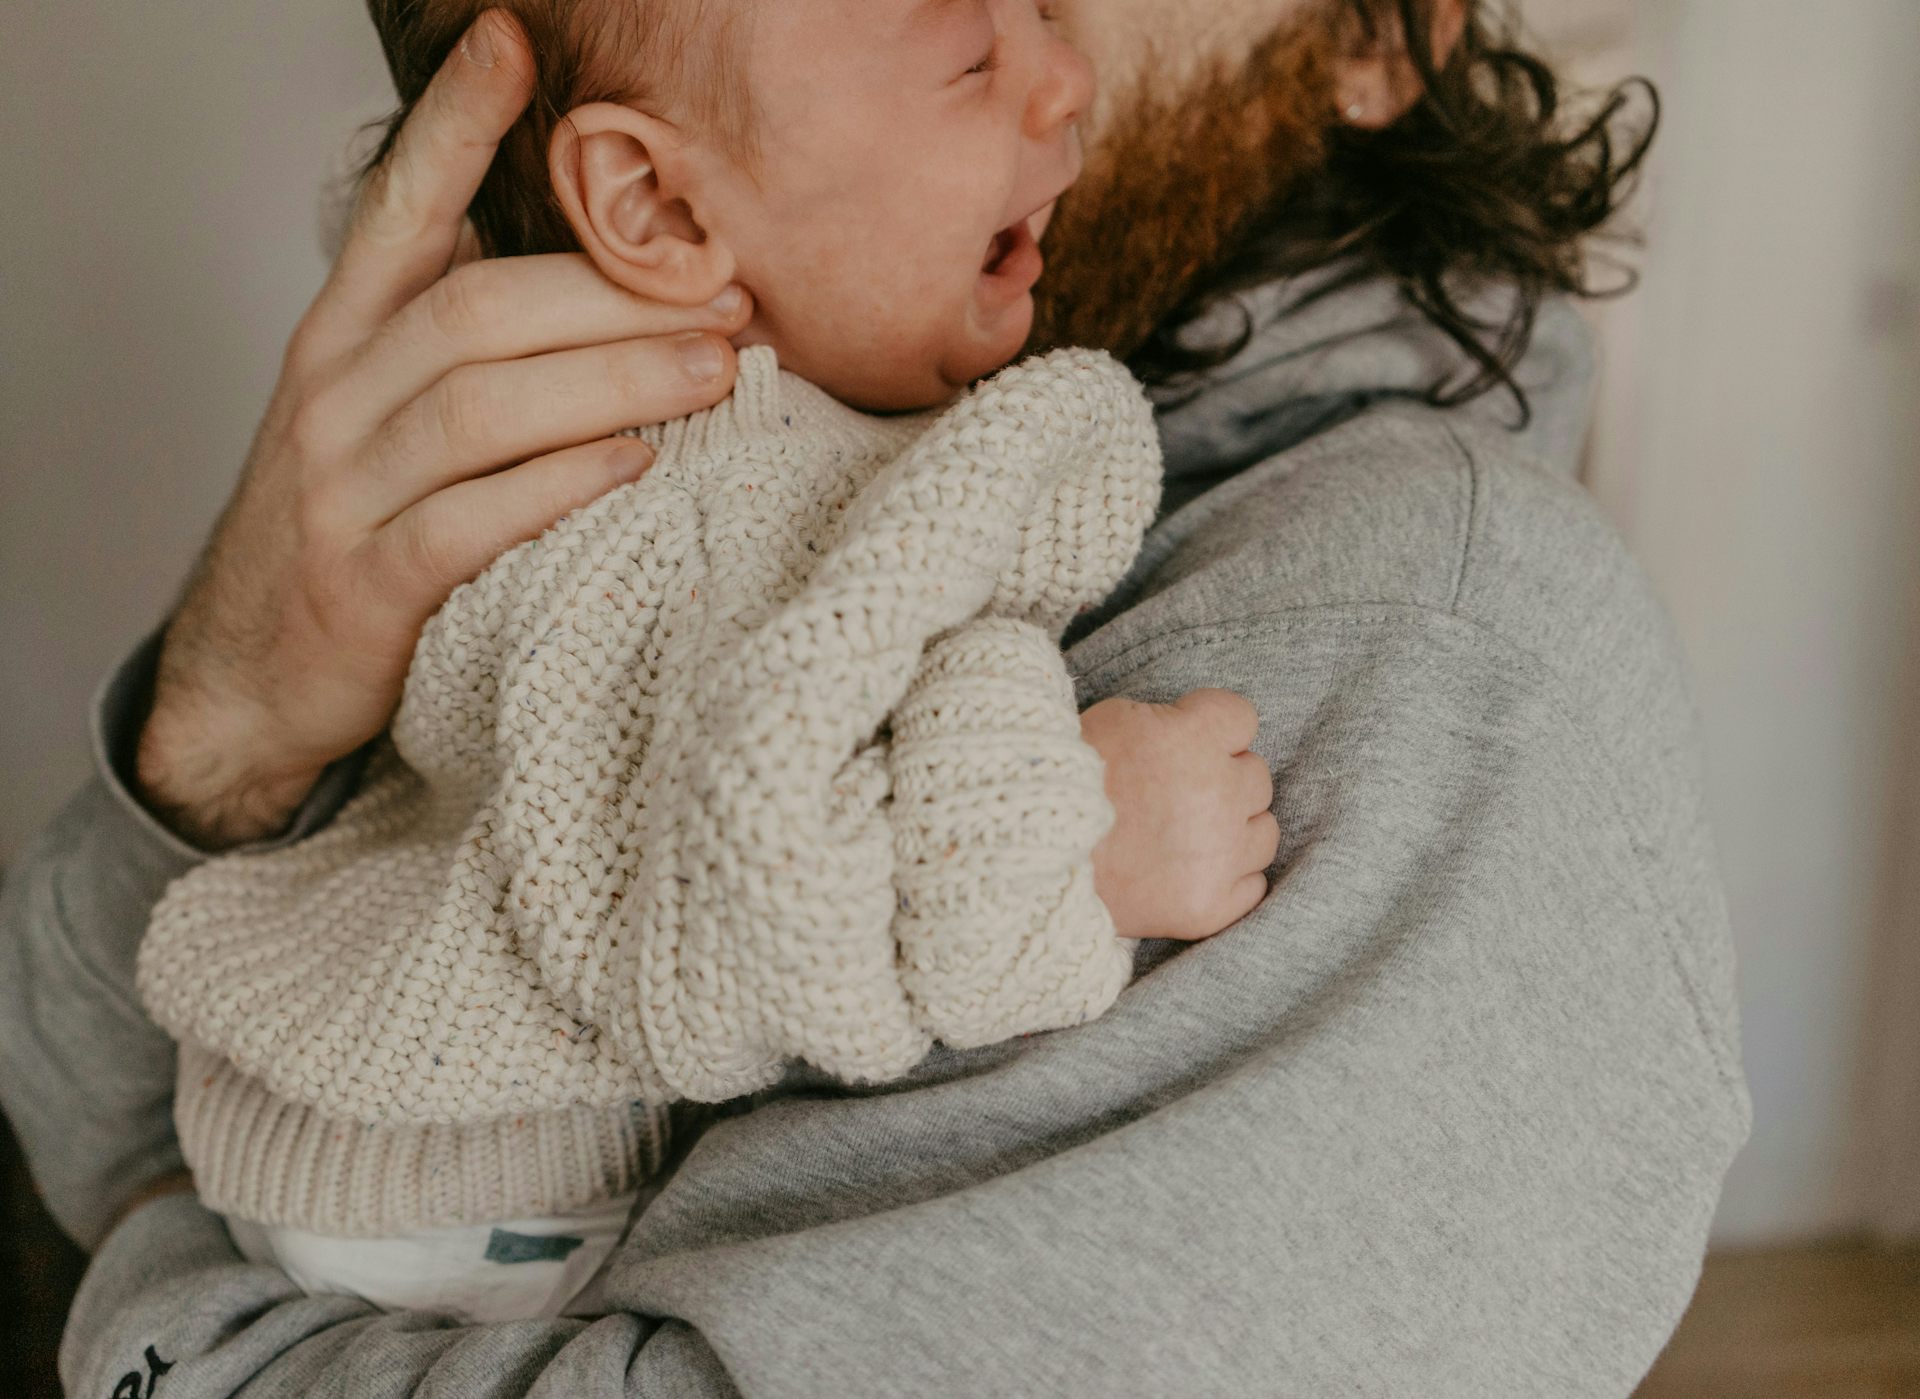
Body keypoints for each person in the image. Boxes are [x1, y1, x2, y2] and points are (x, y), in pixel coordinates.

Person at [0, 0, 1751, 1394]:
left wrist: (165, 1306)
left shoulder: (1427, 664)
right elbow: (84, 1094)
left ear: (1382, 28)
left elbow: (125, 1192)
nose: (1033, 60)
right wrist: (228, 722)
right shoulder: (655, 454)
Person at [132, 0, 1276, 1325]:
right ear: (661, 208)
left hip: (356, 1128)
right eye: (971, 57)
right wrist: (1070, 838)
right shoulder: (691, 498)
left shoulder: (673, 409)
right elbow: (740, 884)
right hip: (471, 1201)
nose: (1067, 72)